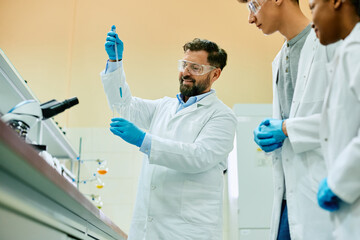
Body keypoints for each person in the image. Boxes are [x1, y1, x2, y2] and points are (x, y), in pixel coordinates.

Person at [100, 26, 237, 240]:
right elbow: (123, 106)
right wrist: (115, 63)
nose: (186, 72)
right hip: (147, 229)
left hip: (189, 232)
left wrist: (144, 140)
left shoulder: (222, 116)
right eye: (184, 65)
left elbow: (199, 157)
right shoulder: (163, 107)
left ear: (215, 74)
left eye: (196, 67)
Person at [237, 0, 339, 239]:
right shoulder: (279, 59)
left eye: (253, 5)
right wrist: (274, 136)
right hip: (289, 198)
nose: (250, 18)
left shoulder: (332, 46)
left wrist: (286, 128)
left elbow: (349, 120)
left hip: (329, 194)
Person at [309, 0, 360, 238]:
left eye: (312, 7)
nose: (311, 22)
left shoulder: (357, 51)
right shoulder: (348, 51)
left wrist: (339, 181)